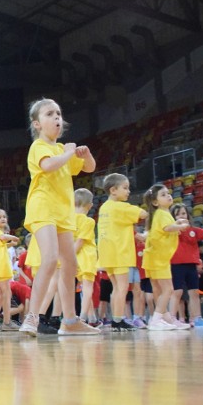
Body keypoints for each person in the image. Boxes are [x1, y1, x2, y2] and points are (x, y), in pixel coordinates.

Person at [18, 99, 98, 336]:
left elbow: (89, 168)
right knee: (51, 259)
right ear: (37, 124)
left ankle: (71, 321)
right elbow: (50, 165)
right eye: (50, 114)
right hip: (42, 208)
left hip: (63, 212)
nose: (57, 118)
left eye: (59, 114)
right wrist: (68, 152)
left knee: (70, 263)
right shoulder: (39, 147)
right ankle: (32, 317)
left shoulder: (63, 149)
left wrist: (85, 154)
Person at [96, 172, 148, 332]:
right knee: (122, 288)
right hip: (120, 253)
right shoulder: (121, 207)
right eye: (125, 188)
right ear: (113, 190)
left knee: (116, 288)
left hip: (107, 254)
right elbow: (144, 214)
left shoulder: (104, 207)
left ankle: (116, 319)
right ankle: (118, 321)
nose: (128, 191)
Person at [140, 184, 191, 330]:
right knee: (168, 289)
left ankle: (166, 318)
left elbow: (166, 228)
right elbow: (167, 228)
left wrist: (176, 223)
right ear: (155, 202)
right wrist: (180, 226)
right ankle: (156, 320)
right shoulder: (162, 213)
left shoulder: (159, 214)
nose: (168, 196)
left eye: (168, 193)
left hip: (153, 256)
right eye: (163, 194)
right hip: (159, 257)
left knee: (158, 290)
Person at [168, 202, 203, 328]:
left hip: (191, 266)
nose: (181, 217)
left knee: (194, 292)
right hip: (176, 265)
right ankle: (172, 318)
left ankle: (197, 319)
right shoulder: (171, 232)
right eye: (177, 215)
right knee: (177, 292)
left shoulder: (193, 230)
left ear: (188, 215)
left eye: (183, 213)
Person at [73, 188, 99, 326]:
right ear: (89, 205)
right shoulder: (88, 221)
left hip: (75, 258)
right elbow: (81, 241)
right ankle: (82, 318)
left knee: (83, 287)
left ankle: (93, 318)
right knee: (88, 288)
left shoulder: (69, 220)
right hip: (86, 257)